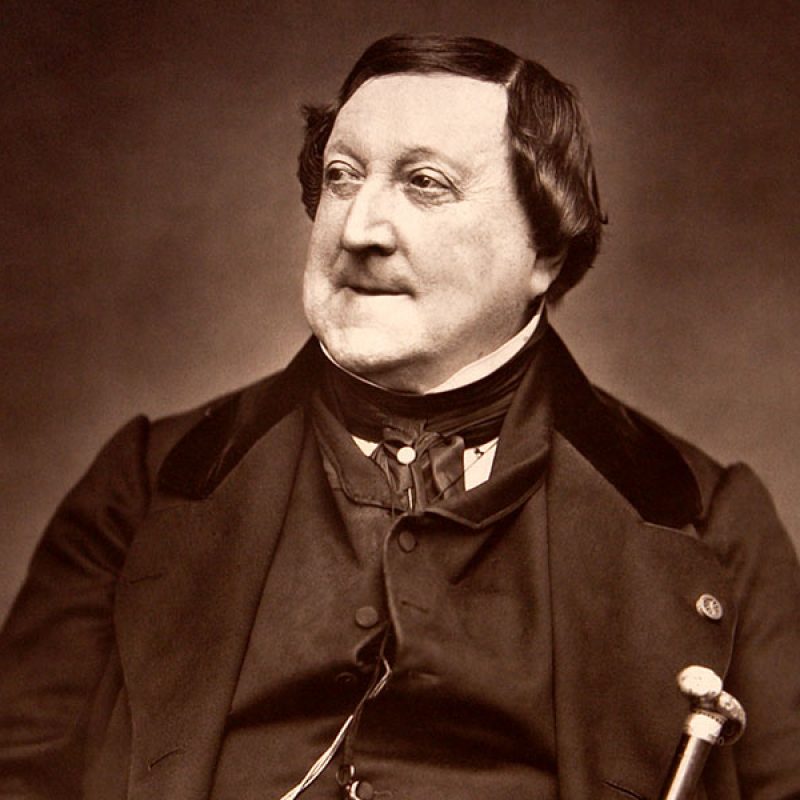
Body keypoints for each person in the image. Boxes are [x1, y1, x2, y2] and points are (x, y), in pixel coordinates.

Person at [1, 32, 798, 800]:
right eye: (342, 177)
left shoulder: (707, 521)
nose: (357, 230)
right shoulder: (149, 483)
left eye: (425, 183)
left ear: (545, 249)